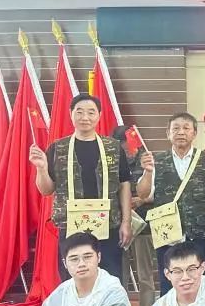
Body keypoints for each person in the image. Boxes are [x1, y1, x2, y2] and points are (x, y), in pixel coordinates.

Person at [30, 93, 132, 281]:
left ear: (99, 115)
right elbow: (46, 190)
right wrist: (41, 168)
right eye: (79, 112)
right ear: (71, 114)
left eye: (91, 112)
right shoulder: (57, 148)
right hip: (71, 225)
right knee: (73, 280)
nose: (85, 117)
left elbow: (124, 184)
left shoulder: (113, 147)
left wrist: (126, 222)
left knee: (110, 278)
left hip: (108, 225)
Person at [136, 112, 205, 295]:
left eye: (186, 128)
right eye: (175, 128)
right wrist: (147, 172)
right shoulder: (157, 160)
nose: (181, 132)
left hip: (199, 231)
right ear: (168, 133)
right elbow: (143, 194)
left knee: (201, 280)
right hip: (167, 232)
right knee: (169, 282)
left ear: (194, 133)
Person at [26, 232, 132, 306]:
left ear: (98, 257)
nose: (81, 264)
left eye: (87, 257)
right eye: (74, 259)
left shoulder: (113, 294)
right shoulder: (60, 294)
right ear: (65, 263)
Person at [112, 125, 156, 306]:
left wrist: (141, 200)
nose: (130, 151)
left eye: (132, 146)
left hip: (142, 225)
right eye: (125, 147)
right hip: (118, 225)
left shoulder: (147, 161)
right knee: (118, 275)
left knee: (145, 275)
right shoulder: (112, 162)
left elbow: (159, 190)